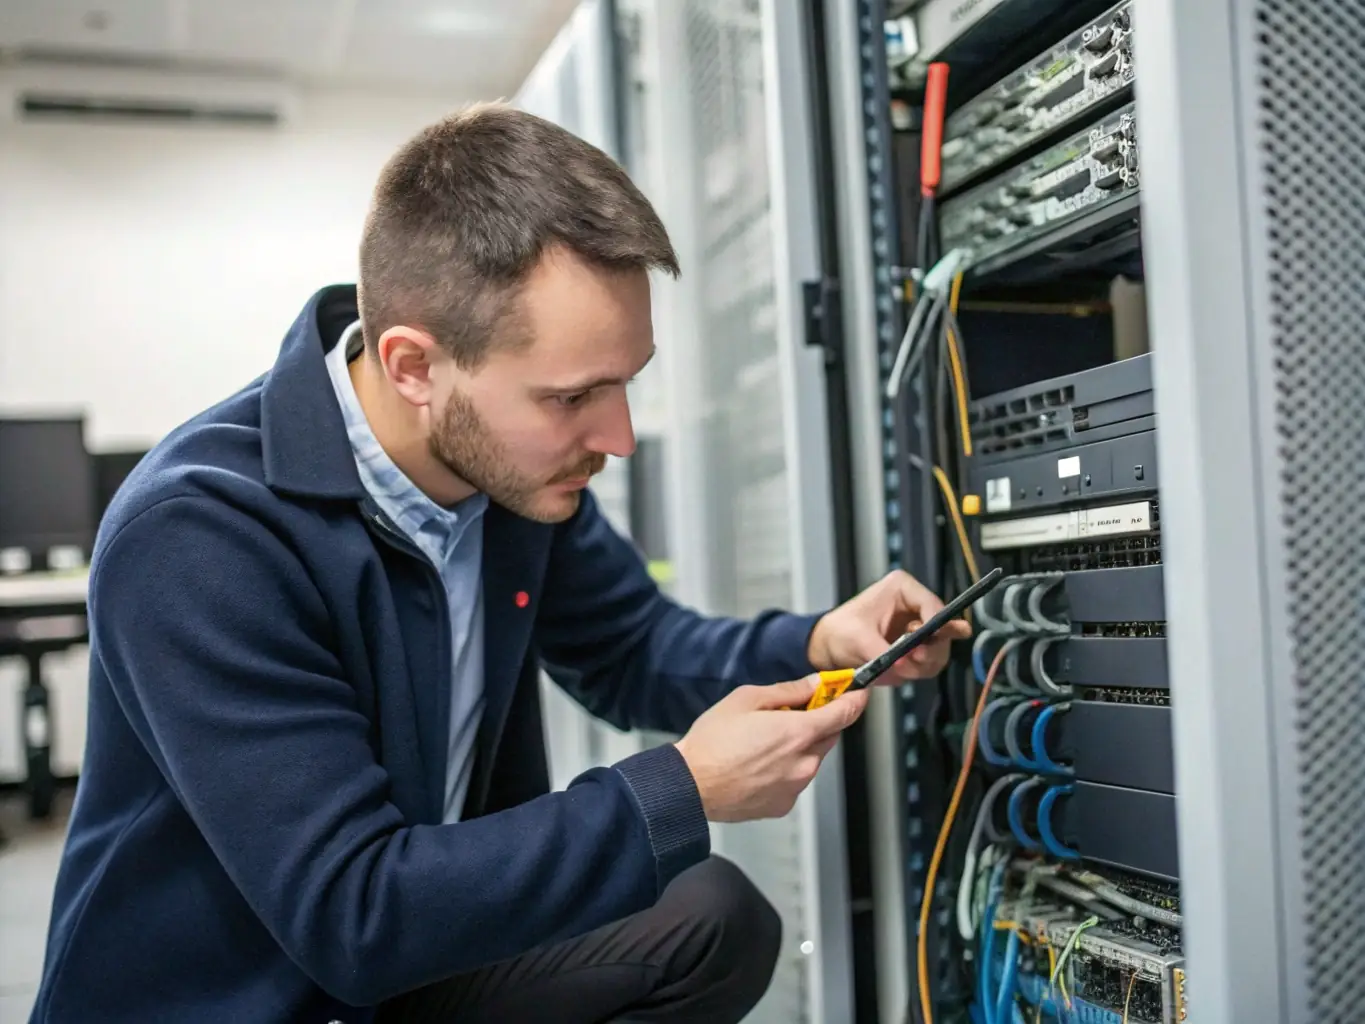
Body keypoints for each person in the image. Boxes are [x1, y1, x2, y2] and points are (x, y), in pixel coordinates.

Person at [31, 103, 970, 1024]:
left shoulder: (510, 481)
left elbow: (630, 649)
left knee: (710, 922)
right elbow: (350, 911)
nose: (620, 437)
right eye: (572, 396)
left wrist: (815, 642)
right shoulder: (201, 537)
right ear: (412, 367)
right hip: (254, 989)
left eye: (623, 384)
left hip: (408, 958)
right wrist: (681, 788)